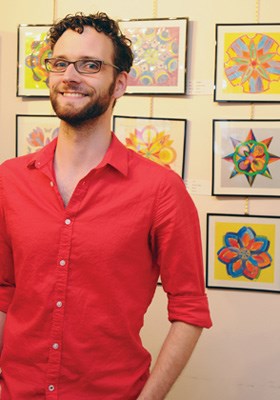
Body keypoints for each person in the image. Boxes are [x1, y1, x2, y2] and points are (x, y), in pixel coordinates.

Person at [0, 12, 212, 400]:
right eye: (60, 63)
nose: (71, 76)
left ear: (119, 84)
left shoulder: (161, 189)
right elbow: (4, 292)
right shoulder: (8, 181)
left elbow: (190, 310)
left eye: (90, 65)